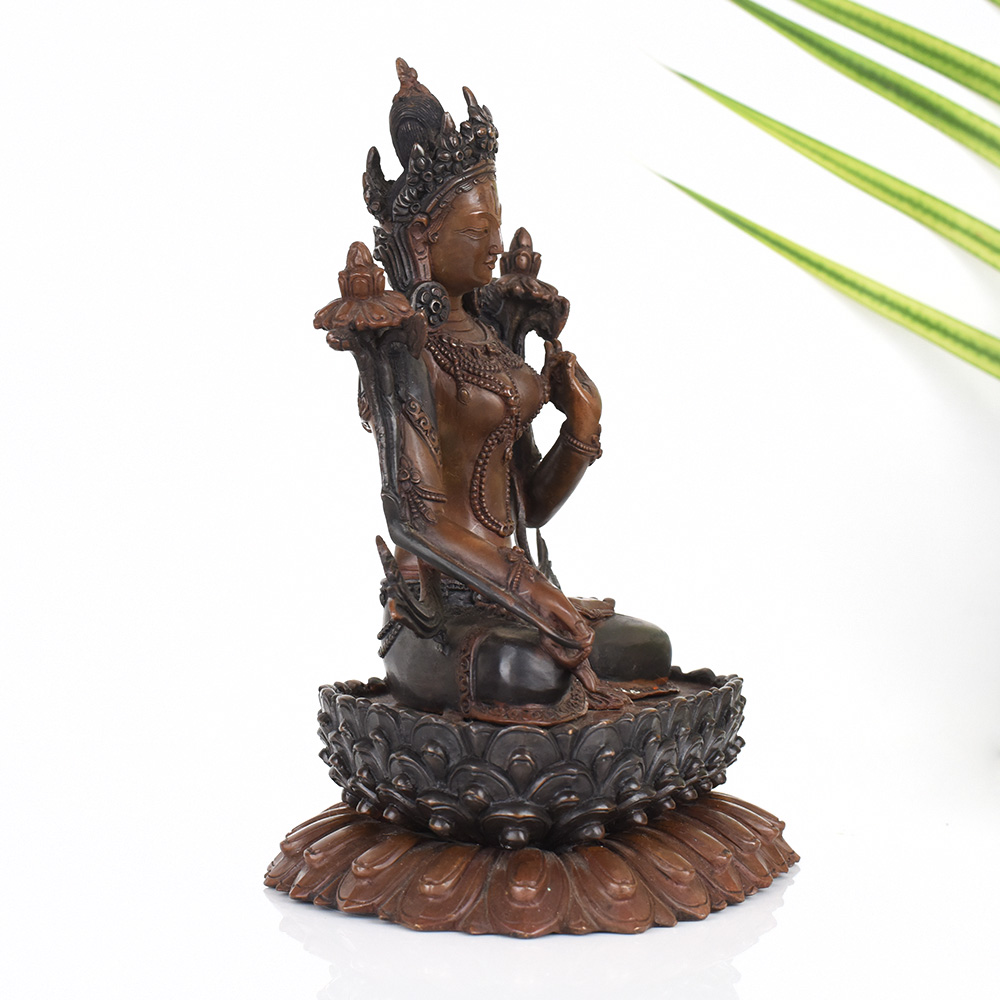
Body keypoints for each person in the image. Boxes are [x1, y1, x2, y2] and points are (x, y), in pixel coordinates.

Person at [315, 60, 675, 725]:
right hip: (438, 617)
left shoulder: (490, 333)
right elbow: (417, 522)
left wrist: (582, 427)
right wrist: (533, 594)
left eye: (497, 227)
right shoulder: (404, 346)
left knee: (649, 648)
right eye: (476, 232)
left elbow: (529, 504)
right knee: (530, 668)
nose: (494, 246)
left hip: (517, 598)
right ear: (422, 239)